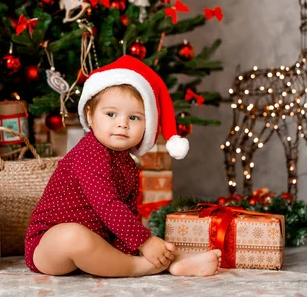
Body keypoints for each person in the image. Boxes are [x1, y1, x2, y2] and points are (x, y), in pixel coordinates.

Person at [24, 55, 222, 277]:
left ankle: (176, 262)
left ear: (148, 125)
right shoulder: (89, 152)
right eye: (111, 114)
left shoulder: (127, 164)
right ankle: (139, 267)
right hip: (49, 246)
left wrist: (139, 246)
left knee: (136, 241)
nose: (122, 124)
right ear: (90, 116)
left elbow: (128, 212)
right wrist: (144, 242)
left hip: (98, 243)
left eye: (135, 118)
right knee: (74, 236)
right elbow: (107, 205)